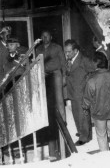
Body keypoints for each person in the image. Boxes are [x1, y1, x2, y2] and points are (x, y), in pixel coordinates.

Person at [36, 30, 66, 160]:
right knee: (47, 101)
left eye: (47, 36)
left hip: (56, 74)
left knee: (59, 99)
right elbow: (37, 64)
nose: (44, 38)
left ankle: (63, 121)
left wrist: (64, 75)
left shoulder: (57, 47)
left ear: (51, 37)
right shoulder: (38, 49)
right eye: (43, 36)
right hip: (44, 75)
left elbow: (63, 62)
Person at [82, 51, 110, 151]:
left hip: (99, 112)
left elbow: (87, 99)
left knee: (101, 134)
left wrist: (85, 108)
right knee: (109, 121)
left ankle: (105, 154)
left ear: (95, 63)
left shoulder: (91, 80)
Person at [64, 39, 94, 146]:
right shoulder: (69, 59)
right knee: (76, 113)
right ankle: (81, 132)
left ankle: (84, 137)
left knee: (83, 115)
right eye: (66, 51)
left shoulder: (84, 60)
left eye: (69, 52)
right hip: (72, 91)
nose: (66, 54)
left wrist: (87, 83)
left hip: (81, 92)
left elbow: (94, 70)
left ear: (76, 50)